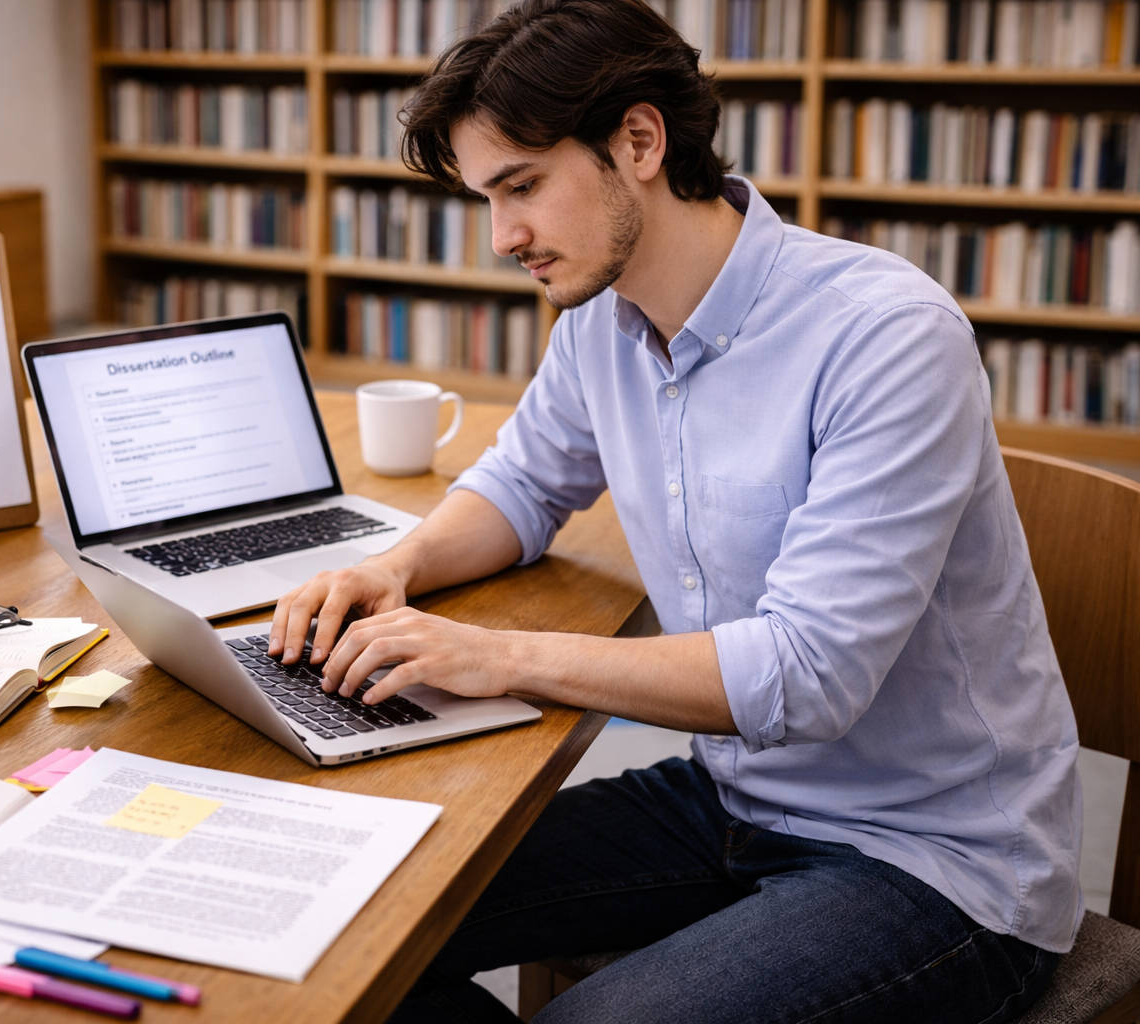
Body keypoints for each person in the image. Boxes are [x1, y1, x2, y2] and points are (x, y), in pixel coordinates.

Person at [267, 0, 1082, 1020]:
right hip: (734, 800)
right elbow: (521, 487)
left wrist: (497, 655)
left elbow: (809, 673)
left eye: (520, 187)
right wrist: (400, 567)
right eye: (486, 197)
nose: (501, 237)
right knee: (345, 919)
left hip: (935, 861)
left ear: (639, 141)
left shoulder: (886, 334)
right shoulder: (601, 322)